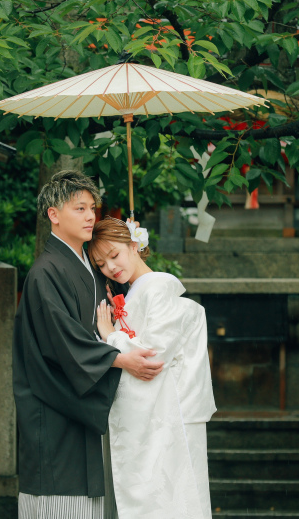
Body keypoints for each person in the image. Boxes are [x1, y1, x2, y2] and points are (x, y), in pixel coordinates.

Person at [13, 170, 164, 519]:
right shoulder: (45, 272)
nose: (90, 216)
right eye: (79, 208)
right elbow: (62, 340)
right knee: (59, 502)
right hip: (54, 409)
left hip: (84, 404)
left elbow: (119, 310)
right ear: (54, 214)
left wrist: (131, 251)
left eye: (91, 208)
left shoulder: (89, 266)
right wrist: (121, 359)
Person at [88, 217, 217, 519]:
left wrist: (111, 335)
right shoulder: (137, 292)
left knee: (170, 498)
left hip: (169, 413)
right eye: (101, 264)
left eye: (114, 255)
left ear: (134, 245)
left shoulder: (157, 288)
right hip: (162, 413)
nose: (110, 268)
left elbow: (153, 353)